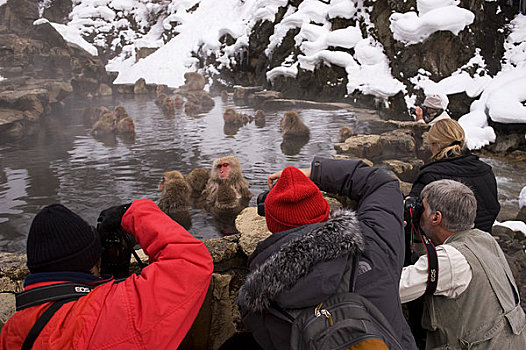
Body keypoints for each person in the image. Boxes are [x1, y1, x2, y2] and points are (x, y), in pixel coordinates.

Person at [237, 157, 418, 350]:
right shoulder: (376, 241)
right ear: (326, 211)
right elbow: (382, 183)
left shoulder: (257, 301)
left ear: (271, 225)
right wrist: (316, 172)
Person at [0, 199, 213, 349]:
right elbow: (192, 261)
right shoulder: (118, 311)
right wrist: (132, 212)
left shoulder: (11, 332)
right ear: (94, 261)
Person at [400, 179, 526, 349]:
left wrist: (390, 233)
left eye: (422, 207)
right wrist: (418, 237)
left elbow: (390, 288)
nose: (417, 211)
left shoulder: (450, 260)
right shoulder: (484, 238)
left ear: (436, 217)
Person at [408, 118, 500, 233]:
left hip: (446, 245)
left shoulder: (430, 176)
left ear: (436, 145)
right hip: (483, 241)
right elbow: (492, 208)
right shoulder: (486, 170)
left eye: (430, 144)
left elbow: (413, 217)